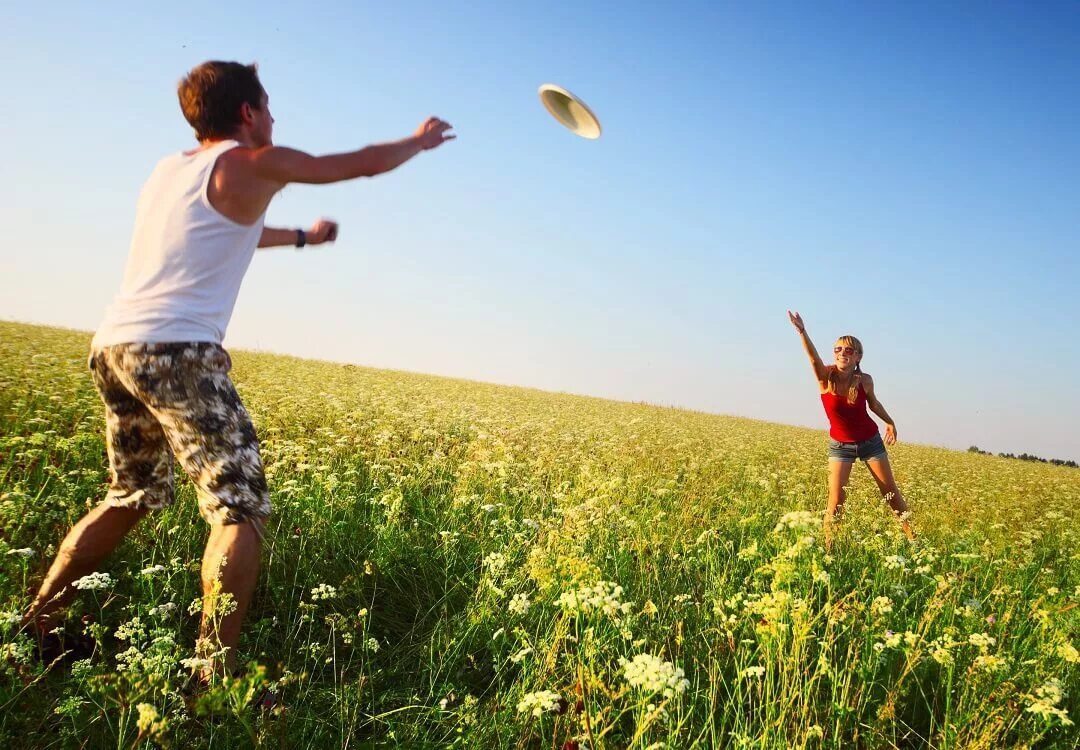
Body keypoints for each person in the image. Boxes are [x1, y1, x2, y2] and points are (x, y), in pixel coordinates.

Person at [21, 61, 454, 681]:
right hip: (178, 353)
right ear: (247, 113)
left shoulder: (170, 171)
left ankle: (36, 625)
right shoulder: (252, 163)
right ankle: (211, 681)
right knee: (238, 510)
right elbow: (353, 163)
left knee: (132, 494)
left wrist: (302, 238)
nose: (274, 118)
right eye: (268, 106)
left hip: (115, 346)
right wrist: (418, 140)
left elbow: (234, 231)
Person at [787, 311, 914, 547]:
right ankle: (829, 549)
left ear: (858, 356)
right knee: (836, 501)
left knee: (891, 494)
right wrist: (803, 332)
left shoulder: (865, 380)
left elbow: (873, 404)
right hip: (840, 445)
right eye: (838, 349)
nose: (842, 353)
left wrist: (890, 421)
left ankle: (914, 541)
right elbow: (813, 359)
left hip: (870, 441)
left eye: (848, 350)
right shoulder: (825, 376)